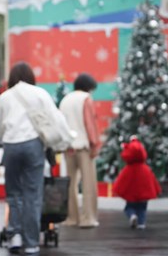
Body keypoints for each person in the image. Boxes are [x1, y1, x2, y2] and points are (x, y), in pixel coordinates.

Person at [0, 61, 61, 255]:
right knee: (32, 194)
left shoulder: (5, 97)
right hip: (33, 145)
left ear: (12, 78)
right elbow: (53, 119)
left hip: (12, 146)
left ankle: (14, 236)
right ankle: (31, 243)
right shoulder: (40, 94)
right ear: (31, 76)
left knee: (14, 193)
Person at [59, 73, 100, 228]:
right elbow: (90, 124)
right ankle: (88, 218)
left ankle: (72, 217)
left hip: (68, 147)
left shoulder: (65, 100)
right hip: (84, 146)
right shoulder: (86, 99)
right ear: (88, 87)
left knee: (70, 184)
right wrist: (95, 144)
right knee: (88, 183)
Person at [113, 136, 161, 229]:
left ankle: (132, 215)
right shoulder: (145, 169)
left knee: (129, 208)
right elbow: (152, 181)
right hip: (144, 196)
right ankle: (141, 223)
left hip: (131, 196)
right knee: (142, 208)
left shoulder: (127, 170)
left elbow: (121, 182)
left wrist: (117, 190)